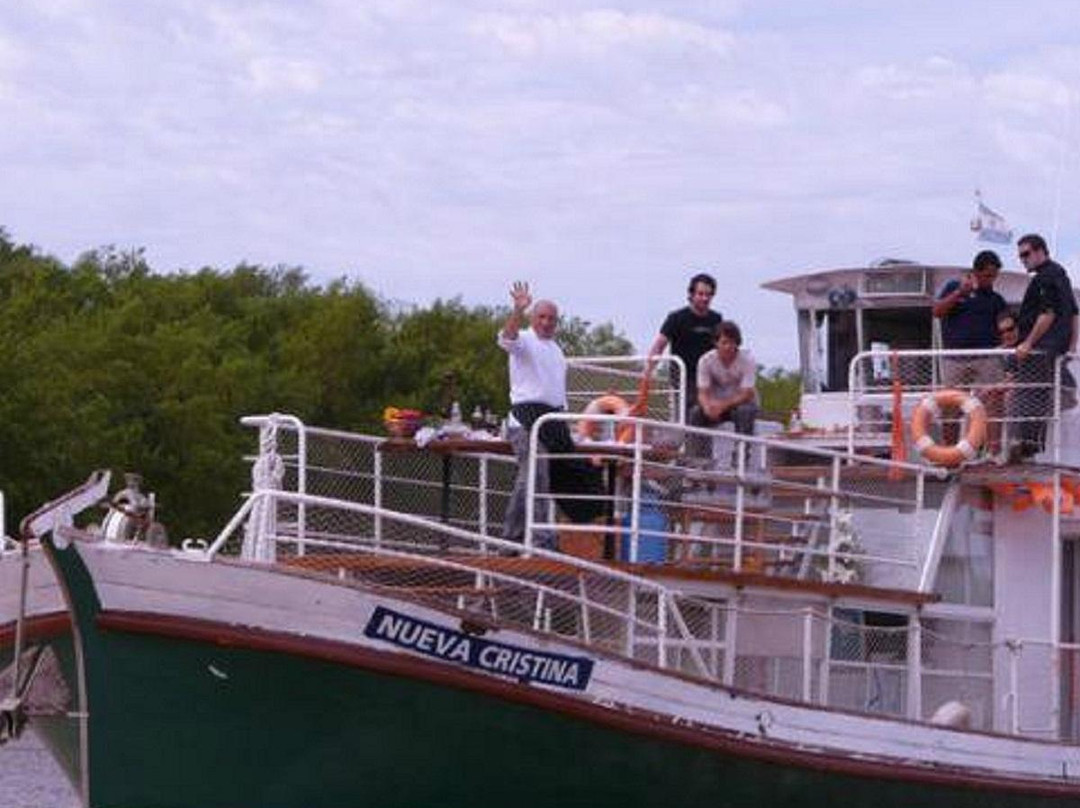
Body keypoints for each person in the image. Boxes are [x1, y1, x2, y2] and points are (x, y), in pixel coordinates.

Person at [497, 282, 603, 548]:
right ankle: (532, 538)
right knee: (535, 471)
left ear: (557, 323)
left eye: (551, 319)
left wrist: (573, 430)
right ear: (533, 318)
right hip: (524, 420)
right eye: (541, 317)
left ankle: (522, 537)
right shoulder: (524, 341)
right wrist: (517, 310)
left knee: (574, 471)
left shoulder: (557, 351)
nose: (546, 323)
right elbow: (507, 338)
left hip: (552, 421)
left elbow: (557, 395)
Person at [1011, 234, 1079, 460]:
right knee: (1043, 395)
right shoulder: (1061, 275)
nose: (1023, 260)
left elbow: (1047, 314)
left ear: (1041, 251)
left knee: (1028, 396)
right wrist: (1071, 346)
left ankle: (1025, 447)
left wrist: (1027, 344)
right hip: (1054, 350)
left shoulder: (1045, 277)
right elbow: (1074, 314)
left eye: (1026, 254)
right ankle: (1032, 446)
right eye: (1020, 255)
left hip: (1040, 350)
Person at [932, 250, 1007, 448]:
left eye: (994, 276)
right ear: (976, 272)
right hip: (954, 359)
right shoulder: (953, 287)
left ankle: (994, 453)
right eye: (987, 276)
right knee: (951, 407)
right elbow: (937, 311)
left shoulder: (996, 299)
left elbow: (1006, 326)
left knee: (994, 405)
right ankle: (949, 453)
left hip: (987, 358)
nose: (991, 280)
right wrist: (959, 294)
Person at [645, 273, 723, 420]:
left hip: (708, 378)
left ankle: (704, 441)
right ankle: (687, 441)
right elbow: (660, 345)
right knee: (688, 412)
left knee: (708, 414)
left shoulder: (716, 319)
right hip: (682, 377)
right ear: (691, 294)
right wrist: (648, 372)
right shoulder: (676, 318)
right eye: (700, 294)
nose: (705, 298)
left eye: (709, 295)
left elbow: (722, 347)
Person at [688, 321, 759, 460]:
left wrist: (722, 406)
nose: (728, 347)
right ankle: (699, 458)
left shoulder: (748, 359)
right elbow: (702, 392)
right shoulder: (705, 360)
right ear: (716, 343)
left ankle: (741, 456)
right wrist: (707, 407)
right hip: (716, 406)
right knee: (696, 412)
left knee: (745, 411)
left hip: (740, 405)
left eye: (732, 343)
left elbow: (747, 393)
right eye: (724, 342)